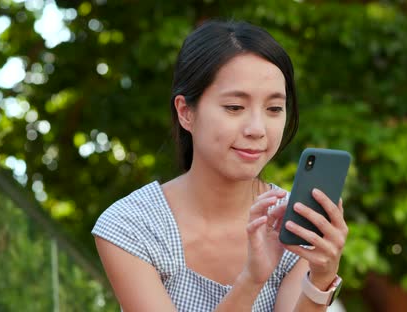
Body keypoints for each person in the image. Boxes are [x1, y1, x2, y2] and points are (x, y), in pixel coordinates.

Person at [92, 20, 348, 311]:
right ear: (186, 112)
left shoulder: (292, 222)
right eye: (235, 107)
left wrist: (321, 278)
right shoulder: (132, 226)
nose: (257, 129)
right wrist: (252, 279)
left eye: (274, 109)